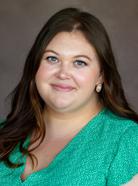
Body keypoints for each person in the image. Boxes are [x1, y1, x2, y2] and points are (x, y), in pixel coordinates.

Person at [0, 7, 138, 186]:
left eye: (79, 62)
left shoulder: (127, 142)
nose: (63, 73)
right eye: (52, 59)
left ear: (101, 75)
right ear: (35, 66)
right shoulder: (5, 133)